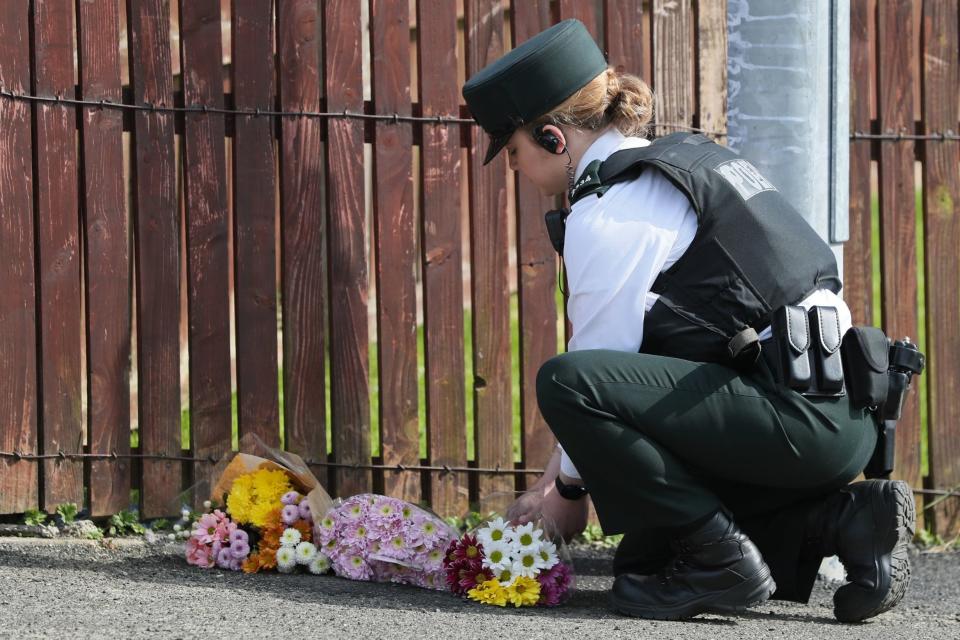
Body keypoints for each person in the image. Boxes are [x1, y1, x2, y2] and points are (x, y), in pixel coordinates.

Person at [461, 19, 915, 622]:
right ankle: (851, 521)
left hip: (791, 422)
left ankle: (721, 562)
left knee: (564, 380)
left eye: (512, 151)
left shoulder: (612, 210)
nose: (513, 169)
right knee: (645, 566)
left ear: (552, 138)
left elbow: (594, 372)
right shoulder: (690, 159)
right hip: (838, 418)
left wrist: (566, 492)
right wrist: (562, 480)